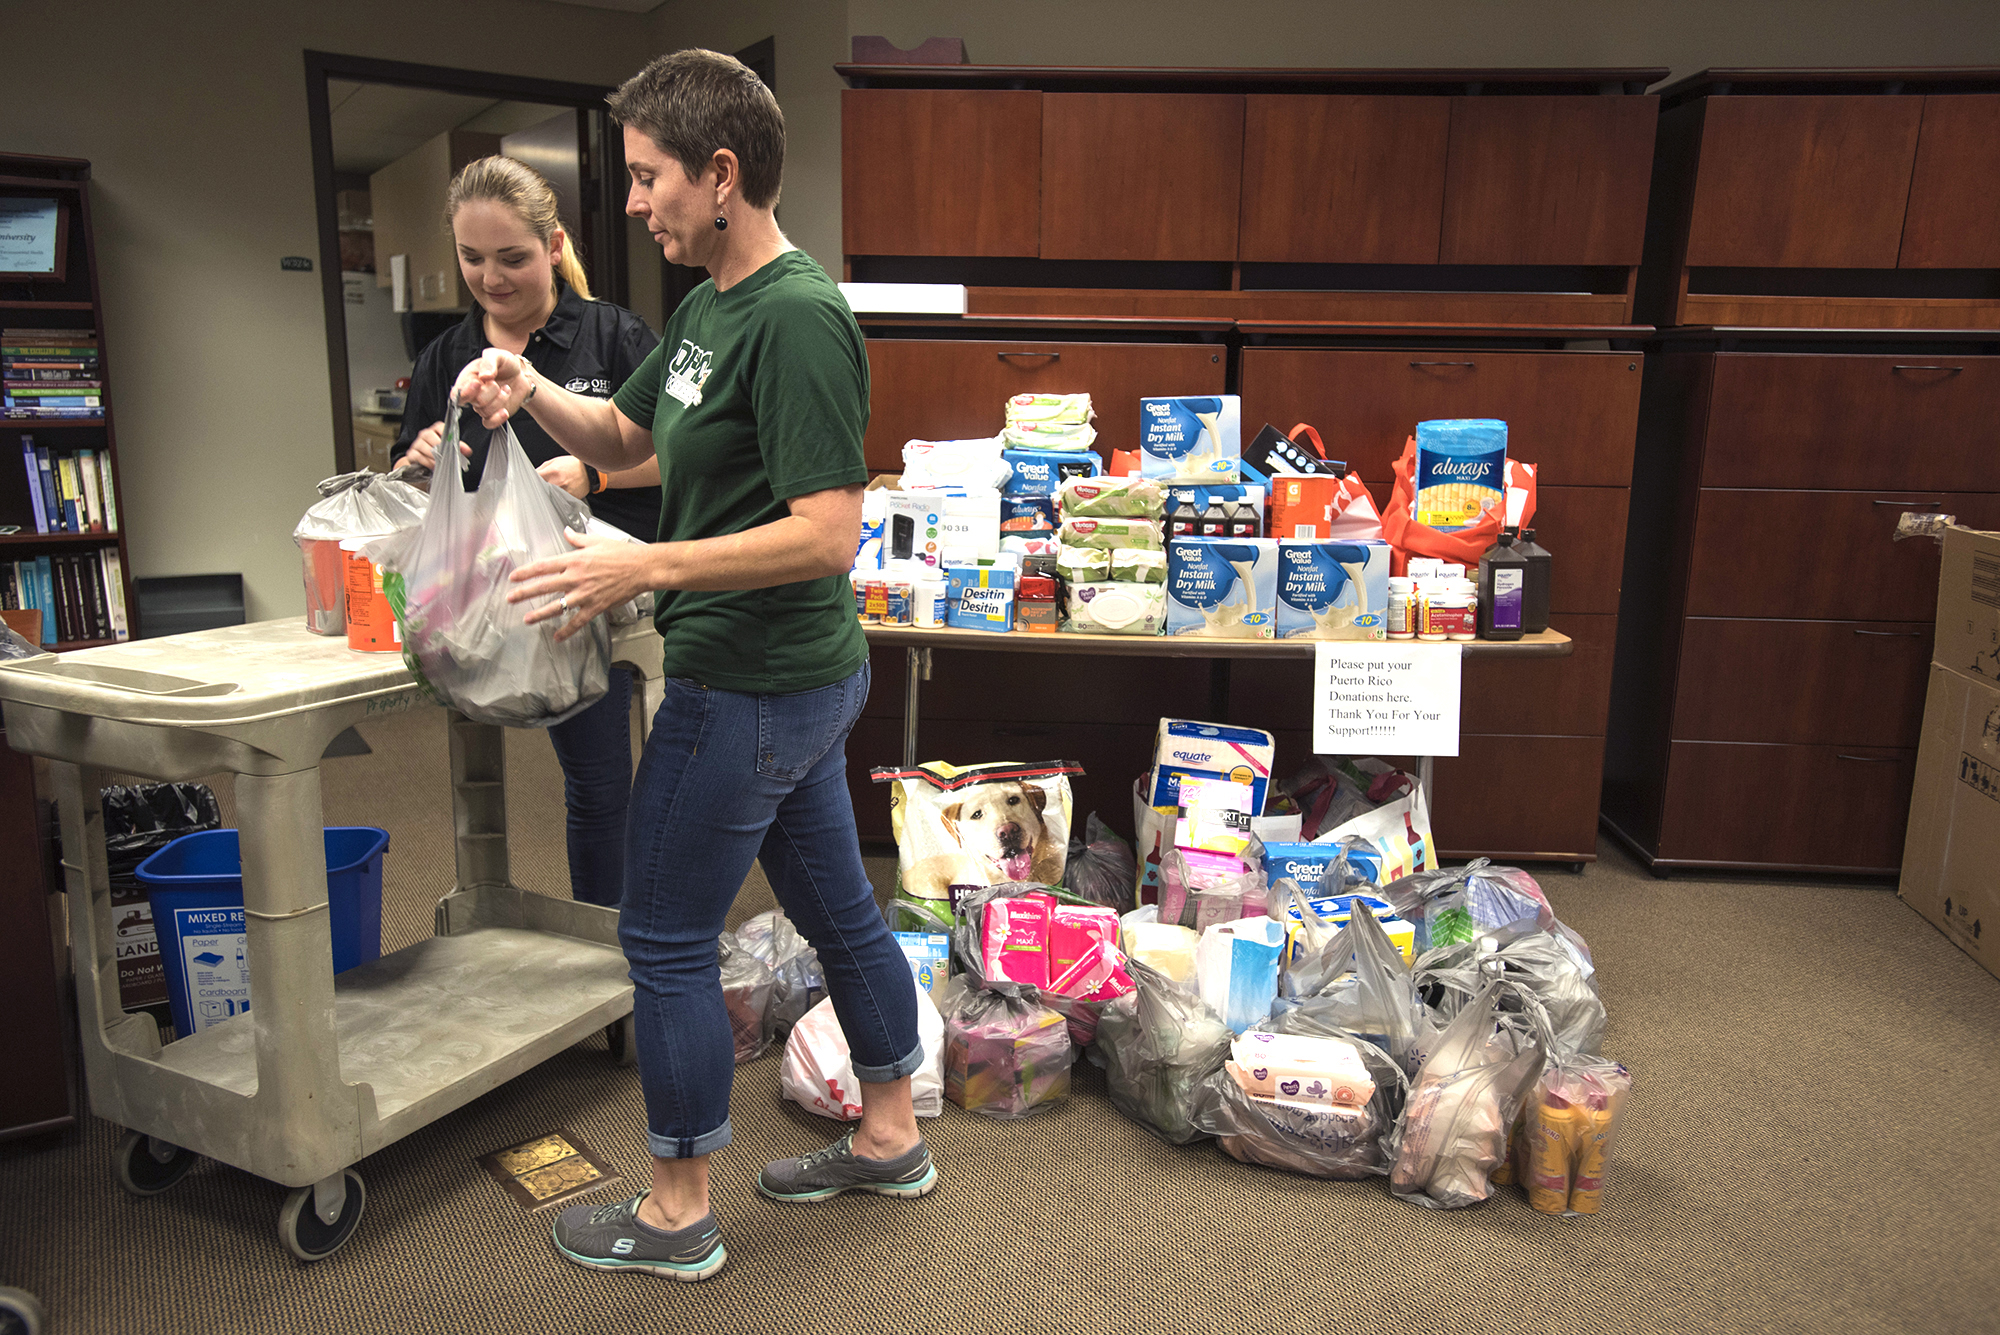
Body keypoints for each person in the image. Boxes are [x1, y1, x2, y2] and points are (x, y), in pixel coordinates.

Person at [445, 50, 932, 1283]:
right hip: (785, 684)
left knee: (661, 936)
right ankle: (887, 1134)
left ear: (721, 176)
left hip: (757, 683)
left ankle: (673, 1214)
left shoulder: (797, 316)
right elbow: (633, 437)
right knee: (835, 911)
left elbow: (827, 529)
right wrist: (530, 390)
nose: (628, 203)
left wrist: (643, 571)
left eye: (649, 176)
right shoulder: (711, 305)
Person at [392, 156, 661, 910]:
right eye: (472, 259)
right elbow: (415, 497)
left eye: (512, 257)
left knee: (599, 783)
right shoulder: (445, 358)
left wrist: (596, 473)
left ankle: (612, 957)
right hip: (482, 599)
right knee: (471, 770)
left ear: (553, 246)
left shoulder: (611, 337)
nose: (491, 277)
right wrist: (416, 464)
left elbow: (685, 455)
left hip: (588, 588)